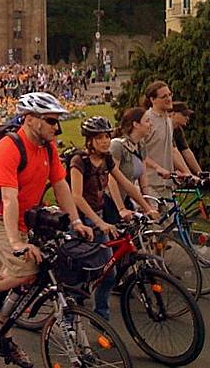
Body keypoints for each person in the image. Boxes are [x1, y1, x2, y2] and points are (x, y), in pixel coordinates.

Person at [0, 92, 93, 368]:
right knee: (26, 268)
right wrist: (16, 243)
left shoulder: (48, 147)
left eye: (58, 122)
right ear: (30, 120)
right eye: (52, 121)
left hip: (26, 217)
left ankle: (1, 323)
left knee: (40, 268)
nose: (57, 128)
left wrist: (76, 221)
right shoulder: (9, 147)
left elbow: (61, 186)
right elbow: (8, 199)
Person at [70, 116, 157, 321]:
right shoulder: (79, 161)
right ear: (89, 140)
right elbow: (76, 196)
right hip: (80, 220)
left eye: (107, 136)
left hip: (98, 218)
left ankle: (101, 317)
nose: (105, 141)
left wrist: (146, 207)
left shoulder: (107, 159)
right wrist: (99, 222)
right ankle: (69, 317)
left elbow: (125, 183)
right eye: (99, 137)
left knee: (108, 274)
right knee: (76, 274)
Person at [142, 81, 190, 200]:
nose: (169, 99)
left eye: (170, 95)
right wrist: (157, 168)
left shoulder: (168, 121)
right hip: (149, 185)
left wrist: (187, 173)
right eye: (164, 96)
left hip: (167, 185)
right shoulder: (147, 120)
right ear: (153, 100)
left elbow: (172, 151)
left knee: (171, 218)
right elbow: (138, 153)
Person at [106, 108, 153, 222]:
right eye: (147, 121)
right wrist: (121, 208)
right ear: (136, 124)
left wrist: (148, 205)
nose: (150, 124)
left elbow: (143, 178)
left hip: (127, 198)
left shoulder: (140, 145)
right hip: (111, 201)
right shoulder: (118, 146)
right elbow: (111, 179)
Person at [170, 101, 202, 176]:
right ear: (173, 114)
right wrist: (189, 174)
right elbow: (174, 152)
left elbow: (187, 152)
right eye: (184, 115)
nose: (187, 118)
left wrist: (200, 174)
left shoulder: (178, 130)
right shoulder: (165, 129)